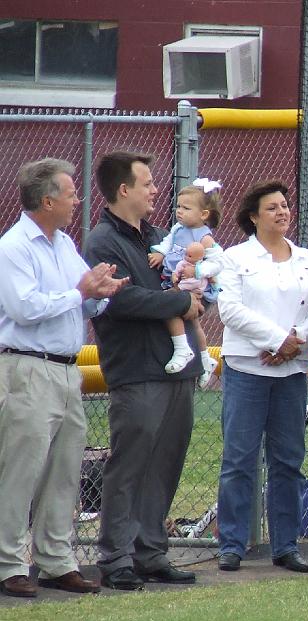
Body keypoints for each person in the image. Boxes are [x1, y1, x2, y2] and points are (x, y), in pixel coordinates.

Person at [0, 158, 127, 598]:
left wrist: (100, 294)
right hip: (28, 368)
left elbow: (81, 300)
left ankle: (56, 560)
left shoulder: (63, 245)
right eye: (71, 194)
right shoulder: (14, 247)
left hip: (67, 371)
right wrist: (79, 293)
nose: (77, 200)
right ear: (48, 199)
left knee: (64, 469)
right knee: (21, 467)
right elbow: (25, 308)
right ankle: (9, 563)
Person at [83, 150, 205, 590]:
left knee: (165, 464)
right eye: (148, 182)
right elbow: (122, 299)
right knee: (130, 465)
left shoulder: (156, 235)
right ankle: (115, 559)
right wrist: (179, 302)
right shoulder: (102, 240)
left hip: (177, 369)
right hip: (137, 370)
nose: (156, 190)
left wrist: (196, 289)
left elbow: (183, 281)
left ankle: (150, 552)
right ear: (123, 190)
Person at [214, 180, 308, 573]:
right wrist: (279, 340)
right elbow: (230, 310)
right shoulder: (234, 258)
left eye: (284, 205)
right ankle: (232, 544)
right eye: (272, 208)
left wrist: (296, 343)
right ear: (253, 216)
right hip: (247, 368)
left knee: (288, 460)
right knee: (239, 459)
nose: (282, 212)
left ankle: (286, 545)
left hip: (291, 372)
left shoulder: (307, 259)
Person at [148, 178, 224, 386]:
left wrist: (198, 270)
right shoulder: (177, 230)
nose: (179, 211)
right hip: (176, 279)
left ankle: (183, 349)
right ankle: (204, 357)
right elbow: (167, 243)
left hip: (194, 284)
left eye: (186, 208)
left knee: (169, 307)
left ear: (204, 214)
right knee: (193, 322)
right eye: (178, 206)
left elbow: (218, 262)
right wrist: (161, 254)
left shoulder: (204, 236)